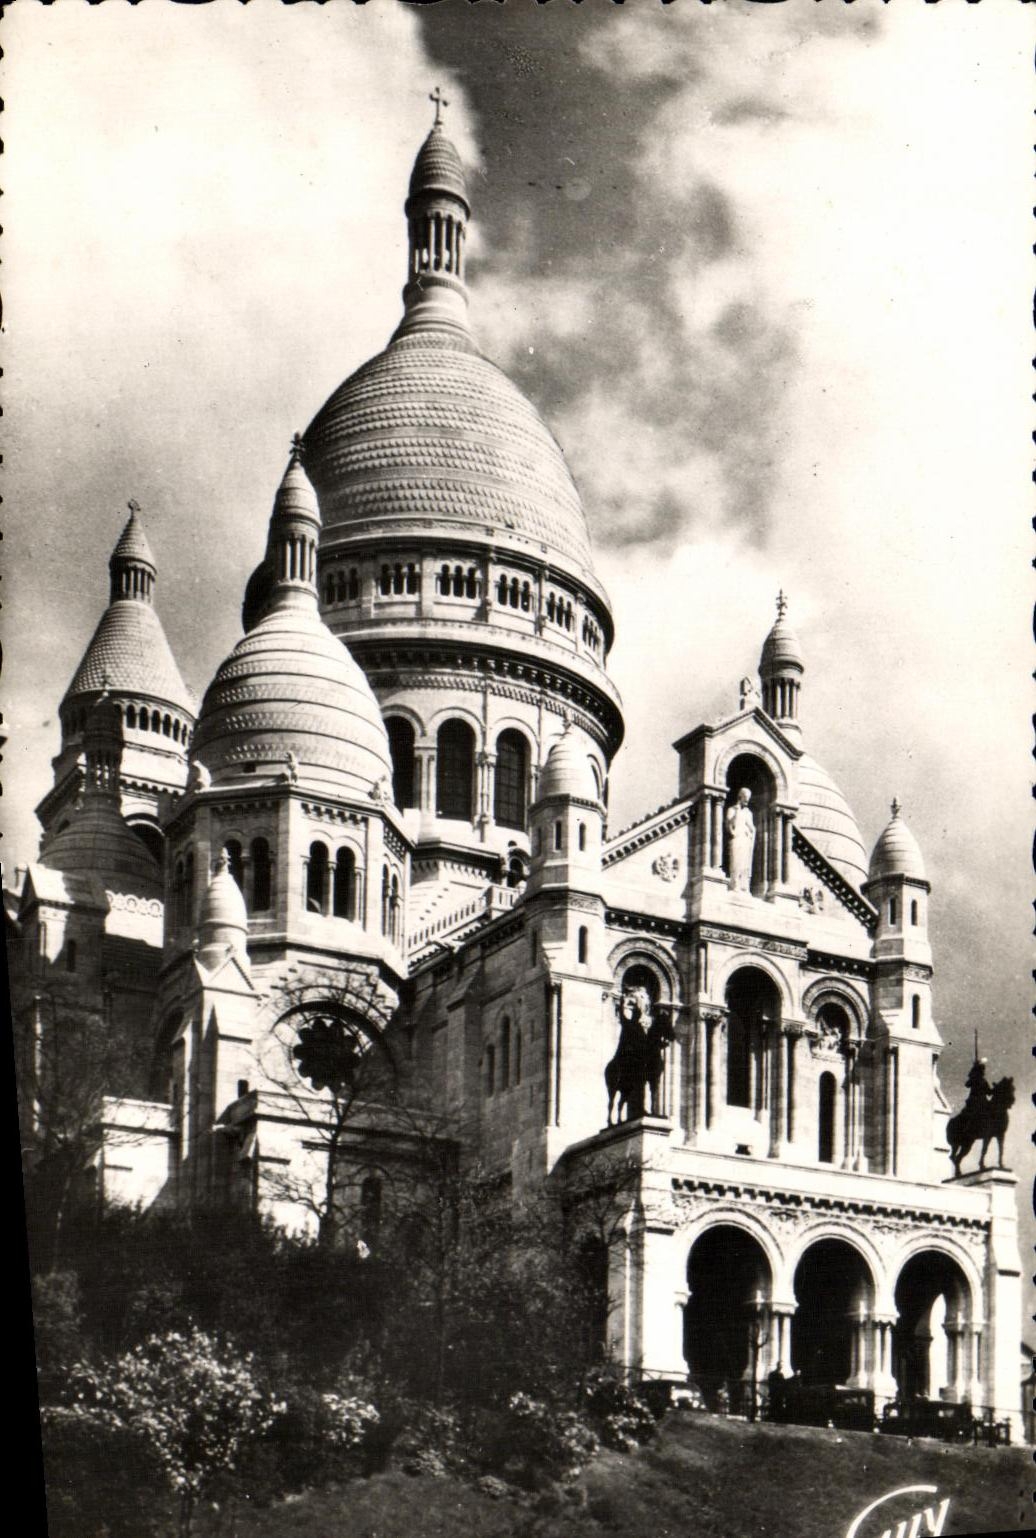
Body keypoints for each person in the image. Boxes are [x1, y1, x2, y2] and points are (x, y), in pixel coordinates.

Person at [726, 787, 756, 892]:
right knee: (735, 861)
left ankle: (743, 885)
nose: (747, 800)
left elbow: (752, 827)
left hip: (745, 839)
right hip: (736, 838)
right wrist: (737, 812)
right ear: (740, 797)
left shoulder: (749, 813)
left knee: (744, 863)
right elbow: (729, 824)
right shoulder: (732, 810)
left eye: (748, 798)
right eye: (745, 797)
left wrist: (752, 832)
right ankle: (734, 884)